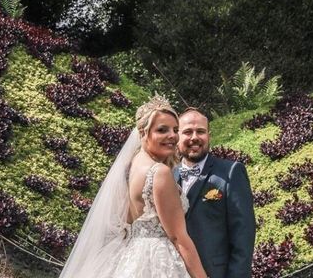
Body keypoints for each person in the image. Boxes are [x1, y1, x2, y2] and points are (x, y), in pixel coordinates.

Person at [59, 95, 208, 278]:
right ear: (143, 133)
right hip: (158, 262)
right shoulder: (158, 172)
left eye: (175, 129)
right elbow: (178, 237)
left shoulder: (130, 165)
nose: (172, 136)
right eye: (162, 130)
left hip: (131, 257)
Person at [176, 108, 256, 278]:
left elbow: (243, 235)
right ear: (177, 136)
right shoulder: (167, 175)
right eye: (188, 132)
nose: (194, 137)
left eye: (201, 131)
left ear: (209, 135)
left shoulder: (231, 172)